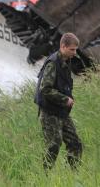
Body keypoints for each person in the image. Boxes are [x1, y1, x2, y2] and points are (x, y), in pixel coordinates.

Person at [35, 32, 83, 170]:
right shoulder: (53, 63)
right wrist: (65, 99)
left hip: (61, 111)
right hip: (49, 111)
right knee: (53, 145)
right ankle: (45, 177)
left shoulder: (64, 62)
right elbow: (45, 89)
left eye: (75, 50)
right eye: (72, 49)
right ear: (63, 46)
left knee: (75, 143)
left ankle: (72, 175)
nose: (75, 53)